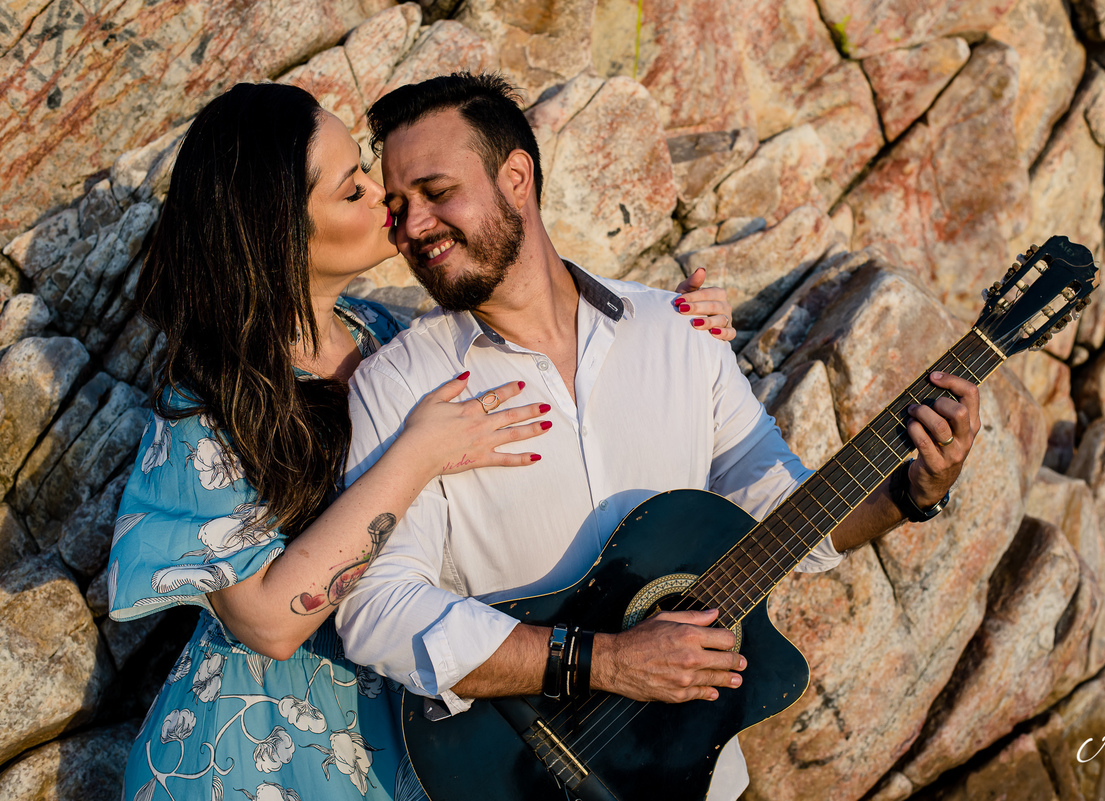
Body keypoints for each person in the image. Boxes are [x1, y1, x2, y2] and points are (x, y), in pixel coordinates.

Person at [336, 72, 982, 801]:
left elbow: (783, 514)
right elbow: (376, 605)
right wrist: (602, 660)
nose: (413, 226)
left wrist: (909, 495)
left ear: (516, 176)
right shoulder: (398, 383)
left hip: (697, 777)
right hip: (519, 772)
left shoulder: (680, 334)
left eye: (435, 190)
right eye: (398, 205)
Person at [106, 81, 735, 801]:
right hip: (245, 761)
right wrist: (415, 456)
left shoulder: (383, 335)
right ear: (282, 230)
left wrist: (678, 319)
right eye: (354, 190)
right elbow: (267, 620)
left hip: (400, 742)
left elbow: (538, 321)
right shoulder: (209, 402)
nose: (386, 198)